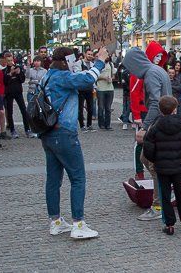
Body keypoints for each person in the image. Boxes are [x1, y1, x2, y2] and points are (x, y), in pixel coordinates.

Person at [41, 46, 108, 240]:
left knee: (53, 179)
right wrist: (101, 61)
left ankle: (55, 221)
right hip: (65, 133)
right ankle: (78, 223)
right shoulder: (63, 77)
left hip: (48, 133)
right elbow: (87, 80)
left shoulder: (47, 76)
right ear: (68, 60)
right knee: (78, 178)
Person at [124, 44, 172, 221]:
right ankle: (164, 194)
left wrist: (145, 127)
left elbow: (155, 103)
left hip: (159, 123)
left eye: (130, 68)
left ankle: (159, 204)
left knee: (153, 164)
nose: (131, 72)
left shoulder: (151, 74)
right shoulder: (156, 71)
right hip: (162, 122)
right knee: (147, 159)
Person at [142, 96, 181, 235]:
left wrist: (155, 159)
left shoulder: (154, 128)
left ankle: (169, 225)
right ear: (175, 110)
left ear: (160, 110)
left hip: (161, 168)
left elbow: (148, 148)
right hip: (178, 167)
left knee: (165, 196)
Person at [1, 51, 30, 138]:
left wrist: (19, 73)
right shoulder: (4, 71)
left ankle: (27, 129)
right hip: (9, 93)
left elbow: (22, 80)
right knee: (9, 112)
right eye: (8, 60)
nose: (10, 62)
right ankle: (12, 129)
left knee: (24, 110)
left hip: (18, 92)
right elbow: (4, 82)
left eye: (11, 60)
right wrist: (10, 74)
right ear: (5, 61)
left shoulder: (18, 68)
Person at [78, 50, 97, 132]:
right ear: (85, 54)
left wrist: (94, 87)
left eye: (91, 55)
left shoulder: (93, 65)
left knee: (90, 108)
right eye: (88, 54)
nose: (90, 56)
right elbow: (78, 74)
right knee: (80, 108)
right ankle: (82, 125)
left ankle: (89, 125)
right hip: (81, 88)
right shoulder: (79, 63)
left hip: (90, 88)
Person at [96, 56, 115, 131]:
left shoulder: (111, 64)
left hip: (110, 88)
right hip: (100, 88)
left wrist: (111, 78)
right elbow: (95, 76)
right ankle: (101, 124)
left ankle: (108, 124)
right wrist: (103, 78)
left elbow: (113, 75)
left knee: (108, 108)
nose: (106, 57)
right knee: (101, 107)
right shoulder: (97, 64)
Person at [116, 63, 133, 130]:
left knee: (134, 108)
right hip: (127, 93)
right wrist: (131, 89)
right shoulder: (125, 72)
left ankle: (133, 123)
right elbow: (124, 84)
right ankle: (125, 122)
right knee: (127, 108)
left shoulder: (136, 71)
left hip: (133, 92)